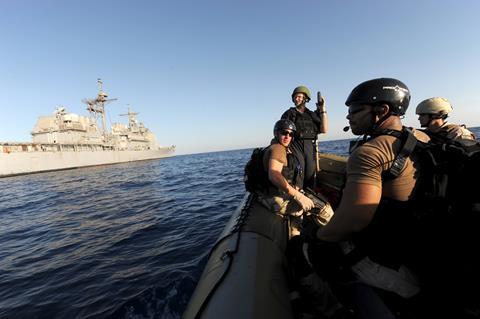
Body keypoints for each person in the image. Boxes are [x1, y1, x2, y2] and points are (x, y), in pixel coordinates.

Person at [311, 78, 430, 318]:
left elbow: (353, 223)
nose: (348, 117)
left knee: (308, 250)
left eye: (355, 110)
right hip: (425, 241)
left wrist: (316, 237)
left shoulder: (371, 151)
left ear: (382, 110)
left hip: (392, 252)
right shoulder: (423, 138)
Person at [256, 119, 315, 239]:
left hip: (267, 193)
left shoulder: (273, 147)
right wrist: (299, 196)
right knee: (318, 207)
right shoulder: (278, 149)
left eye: (291, 134)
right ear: (276, 133)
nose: (288, 136)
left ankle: (294, 236)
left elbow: (283, 176)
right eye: (284, 133)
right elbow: (274, 175)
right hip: (273, 197)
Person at [281, 86, 328, 189]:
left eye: (299, 97)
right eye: (295, 97)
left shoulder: (311, 114)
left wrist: (322, 109)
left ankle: (310, 198)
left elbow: (324, 129)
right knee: (298, 173)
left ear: (305, 99)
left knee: (310, 174)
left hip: (309, 147)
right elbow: (281, 132)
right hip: (295, 145)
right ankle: (298, 196)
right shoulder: (289, 113)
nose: (297, 99)